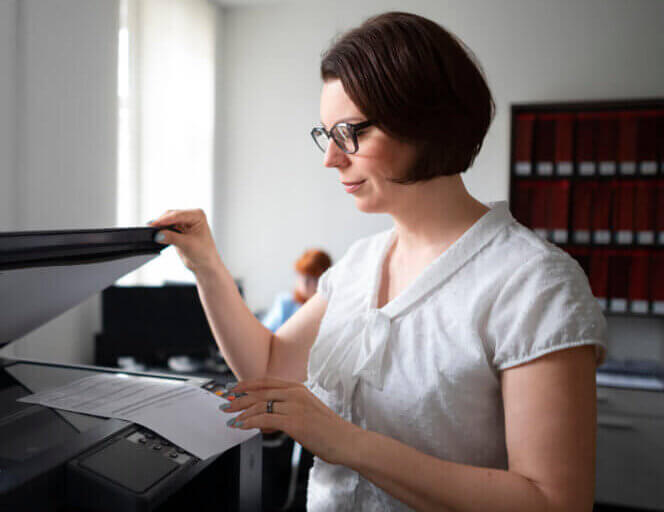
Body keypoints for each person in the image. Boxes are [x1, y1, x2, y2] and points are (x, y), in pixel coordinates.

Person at [148, 11, 605, 512]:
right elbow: (270, 365)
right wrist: (208, 267)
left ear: (422, 122)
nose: (331, 159)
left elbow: (554, 502)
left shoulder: (534, 283)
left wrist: (344, 441)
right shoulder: (360, 264)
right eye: (327, 135)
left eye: (351, 134)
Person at [262, 249, 332, 332]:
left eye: (313, 278)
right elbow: (265, 333)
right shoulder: (285, 303)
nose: (306, 282)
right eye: (303, 275)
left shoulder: (330, 308)